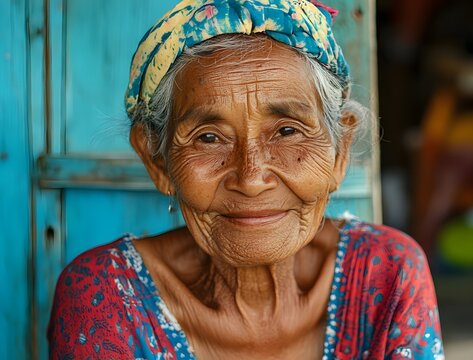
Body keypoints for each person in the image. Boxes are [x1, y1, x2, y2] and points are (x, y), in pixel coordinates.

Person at [47, 0, 444, 359]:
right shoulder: (105, 297)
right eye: (208, 137)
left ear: (339, 151)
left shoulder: (388, 272)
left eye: (287, 131)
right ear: (158, 161)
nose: (251, 179)